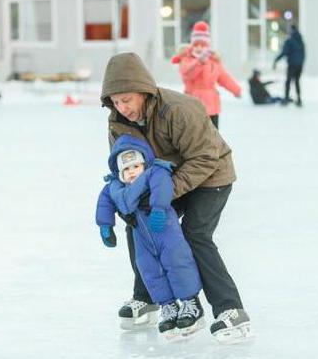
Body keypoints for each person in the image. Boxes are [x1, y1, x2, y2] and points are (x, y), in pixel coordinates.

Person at [100, 52, 252, 343]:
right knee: (139, 226)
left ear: (143, 91)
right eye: (116, 102)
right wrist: (127, 202)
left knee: (194, 235)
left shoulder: (180, 109)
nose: (123, 108)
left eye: (127, 100)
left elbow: (205, 158)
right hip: (163, 181)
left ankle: (230, 310)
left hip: (211, 177)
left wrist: (162, 192)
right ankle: (148, 298)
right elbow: (121, 166)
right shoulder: (117, 122)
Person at [96, 134, 204, 338]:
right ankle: (168, 306)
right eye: (126, 169)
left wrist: (159, 209)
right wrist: (105, 226)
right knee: (149, 271)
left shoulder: (156, 172)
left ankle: (190, 302)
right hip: (142, 239)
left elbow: (162, 188)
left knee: (177, 262)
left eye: (135, 166)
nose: (131, 172)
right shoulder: (114, 187)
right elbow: (104, 204)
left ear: (144, 164)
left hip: (165, 229)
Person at [172, 21, 241, 129]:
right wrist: (200, 62)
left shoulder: (213, 60)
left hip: (212, 105)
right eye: (196, 45)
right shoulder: (186, 59)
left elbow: (224, 77)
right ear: (192, 45)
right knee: (195, 136)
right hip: (193, 104)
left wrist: (236, 90)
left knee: (213, 136)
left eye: (203, 45)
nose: (199, 48)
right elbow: (188, 74)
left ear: (207, 46)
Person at [273, 24, 305, 107]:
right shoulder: (300, 40)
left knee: (288, 81)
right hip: (299, 65)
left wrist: (276, 60)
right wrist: (301, 62)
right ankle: (299, 99)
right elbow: (303, 53)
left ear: (291, 30)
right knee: (297, 81)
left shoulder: (290, 41)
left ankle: (286, 98)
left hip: (292, 64)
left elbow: (284, 52)